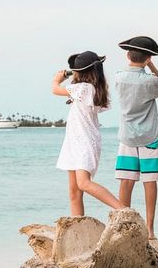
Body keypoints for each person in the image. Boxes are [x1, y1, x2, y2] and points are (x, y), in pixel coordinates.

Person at [53, 50, 124, 215]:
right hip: (73, 143)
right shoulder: (88, 89)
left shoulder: (84, 88)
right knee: (74, 192)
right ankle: (77, 228)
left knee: (83, 183)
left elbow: (55, 89)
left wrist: (57, 79)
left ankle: (123, 209)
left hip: (84, 142)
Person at [114, 35, 158, 239]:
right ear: (148, 59)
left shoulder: (119, 77)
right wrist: (152, 67)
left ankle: (122, 226)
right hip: (149, 136)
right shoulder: (149, 81)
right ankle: (150, 229)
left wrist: (143, 63)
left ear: (128, 55)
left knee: (126, 181)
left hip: (127, 136)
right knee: (150, 182)